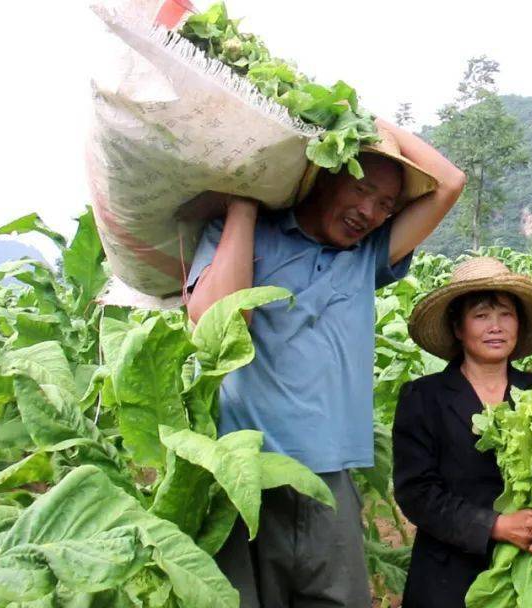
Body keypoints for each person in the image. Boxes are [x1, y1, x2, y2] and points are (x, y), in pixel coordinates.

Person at [184, 119, 466, 607]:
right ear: (321, 178)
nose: (370, 212)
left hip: (328, 483)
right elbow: (218, 320)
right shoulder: (245, 236)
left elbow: (450, 184)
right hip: (245, 477)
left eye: (386, 205)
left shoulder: (367, 257)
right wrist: (246, 202)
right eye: (362, 190)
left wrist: (367, 120)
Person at [393, 257, 532, 608]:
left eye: (505, 314)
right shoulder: (424, 397)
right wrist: (497, 526)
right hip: (451, 575)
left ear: (519, 324)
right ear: (458, 327)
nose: (495, 326)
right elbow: (417, 493)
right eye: (481, 315)